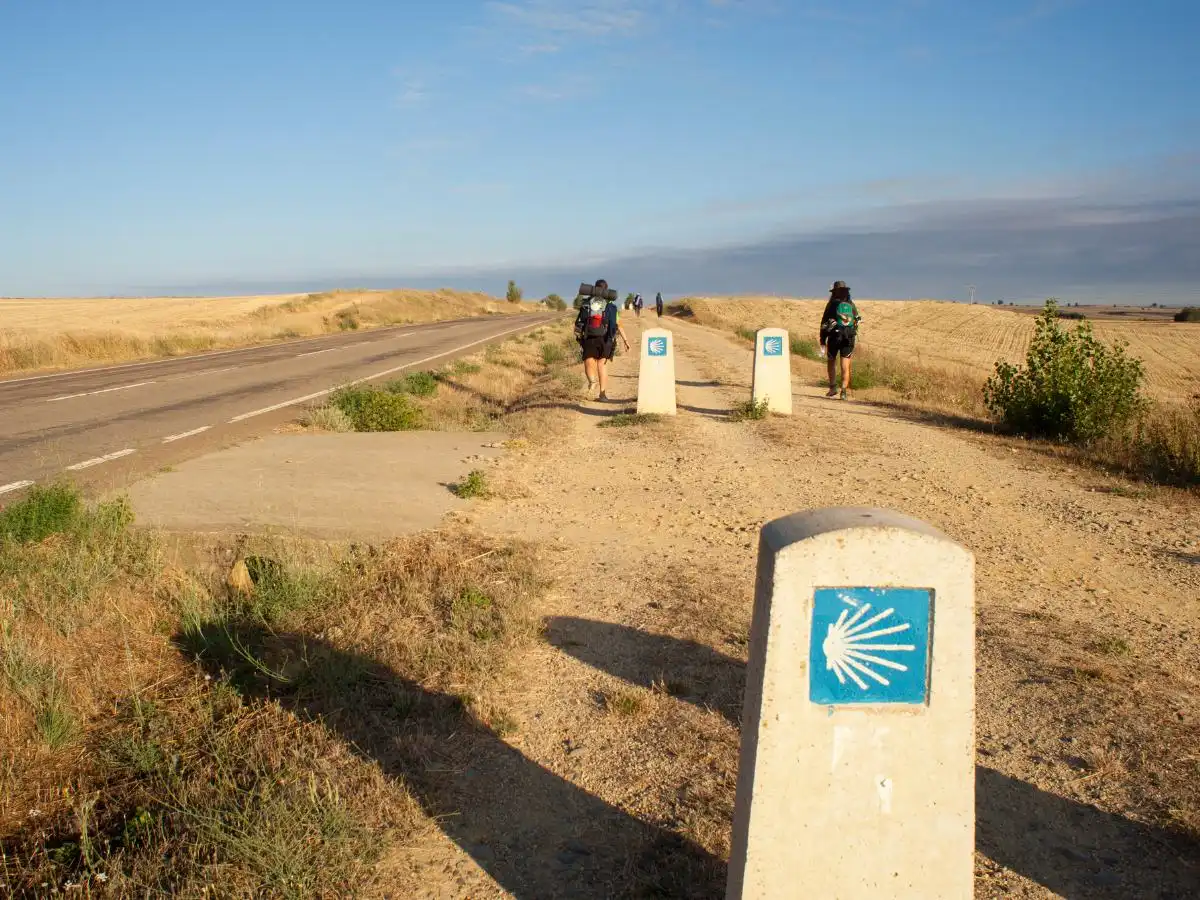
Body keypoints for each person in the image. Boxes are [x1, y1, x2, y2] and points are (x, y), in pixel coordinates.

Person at [574, 278, 630, 401]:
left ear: (594, 289)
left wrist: (578, 337)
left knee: (589, 360)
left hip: (589, 337)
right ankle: (602, 395)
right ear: (606, 290)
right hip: (605, 339)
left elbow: (579, 322)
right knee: (602, 365)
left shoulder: (587, 304)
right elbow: (618, 325)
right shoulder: (611, 307)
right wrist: (626, 341)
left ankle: (592, 382)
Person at [819, 280, 861, 400]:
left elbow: (824, 323)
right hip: (849, 337)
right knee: (845, 363)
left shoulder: (832, 304)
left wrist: (822, 339)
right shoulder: (851, 304)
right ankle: (843, 391)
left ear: (834, 292)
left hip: (834, 337)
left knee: (831, 361)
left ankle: (833, 388)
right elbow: (856, 320)